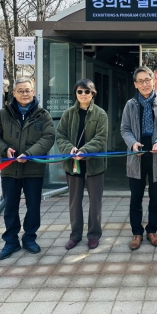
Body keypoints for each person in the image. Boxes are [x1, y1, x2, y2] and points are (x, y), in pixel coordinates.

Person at [0, 77, 55, 260]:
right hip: (10, 169)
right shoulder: (3, 114)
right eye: (21, 91)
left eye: (28, 90)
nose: (25, 94)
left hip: (33, 169)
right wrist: (4, 149)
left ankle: (30, 238)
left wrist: (30, 153)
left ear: (33, 92)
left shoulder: (43, 114)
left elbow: (48, 137)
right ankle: (11, 241)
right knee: (10, 206)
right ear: (14, 93)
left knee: (33, 206)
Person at [121, 66, 157, 250]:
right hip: (137, 154)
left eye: (147, 80)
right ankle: (137, 232)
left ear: (154, 80)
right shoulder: (130, 104)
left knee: (156, 197)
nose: (144, 84)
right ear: (135, 85)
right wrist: (133, 144)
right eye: (140, 81)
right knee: (135, 197)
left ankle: (152, 230)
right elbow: (125, 129)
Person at [56, 79, 108, 250]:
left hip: (94, 165)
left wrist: (84, 151)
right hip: (73, 164)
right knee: (74, 202)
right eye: (80, 91)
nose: (83, 95)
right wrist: (70, 149)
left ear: (93, 94)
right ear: (76, 93)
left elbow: (101, 138)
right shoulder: (68, 113)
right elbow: (60, 136)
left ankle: (94, 235)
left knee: (95, 202)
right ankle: (75, 235)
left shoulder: (100, 114)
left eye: (87, 91)